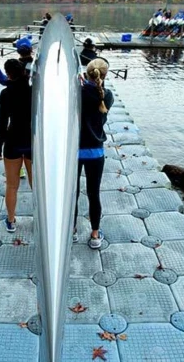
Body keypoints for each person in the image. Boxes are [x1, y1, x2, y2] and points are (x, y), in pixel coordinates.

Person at [73, 58, 114, 249]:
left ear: (86, 73)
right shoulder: (107, 95)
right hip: (96, 152)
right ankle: (95, 234)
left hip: (74, 151)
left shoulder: (76, 93)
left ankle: (71, 230)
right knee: (93, 193)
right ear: (104, 75)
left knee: (72, 193)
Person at [0, 59, 33, 232]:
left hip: (13, 141)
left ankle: (11, 221)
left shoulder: (6, 93)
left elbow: (2, 121)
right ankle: (40, 218)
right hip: (32, 141)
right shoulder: (34, 91)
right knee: (36, 185)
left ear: (8, 74)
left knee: (11, 185)